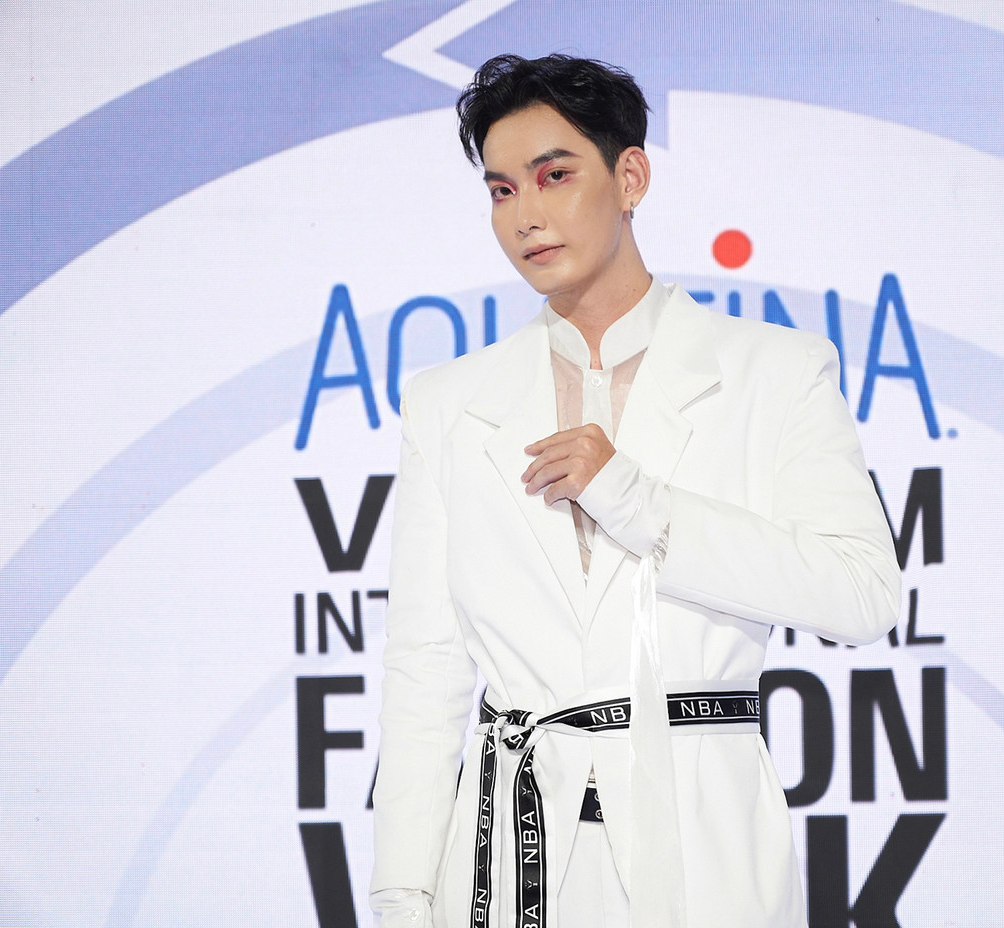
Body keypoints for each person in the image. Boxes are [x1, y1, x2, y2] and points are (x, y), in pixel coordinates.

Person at [369, 54, 900, 928]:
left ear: (631, 177)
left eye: (554, 175)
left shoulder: (774, 373)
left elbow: (862, 592)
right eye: (502, 190)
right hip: (511, 857)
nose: (526, 216)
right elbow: (424, 672)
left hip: (702, 856)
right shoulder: (447, 404)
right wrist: (401, 896)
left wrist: (639, 502)